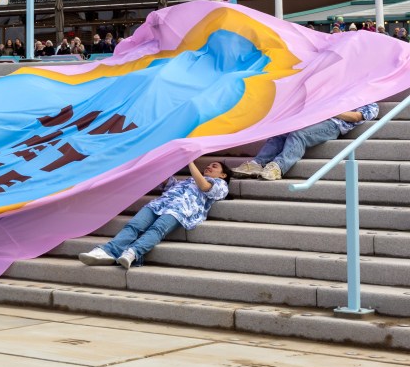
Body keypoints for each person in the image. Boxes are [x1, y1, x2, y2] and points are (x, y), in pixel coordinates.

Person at [79, 161, 231, 268]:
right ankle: (106, 251)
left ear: (223, 175)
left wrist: (190, 161)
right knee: (134, 225)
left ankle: (133, 253)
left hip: (180, 210)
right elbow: (167, 183)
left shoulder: (220, 185)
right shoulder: (189, 180)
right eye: (208, 165)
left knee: (157, 230)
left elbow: (205, 187)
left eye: (214, 166)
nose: (209, 167)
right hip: (159, 204)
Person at [234, 105, 379, 181]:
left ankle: (278, 167)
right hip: (314, 119)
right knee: (282, 133)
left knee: (299, 135)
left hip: (333, 125)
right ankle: (257, 164)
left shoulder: (371, 103)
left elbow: (355, 117)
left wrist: (331, 111)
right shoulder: (344, 91)